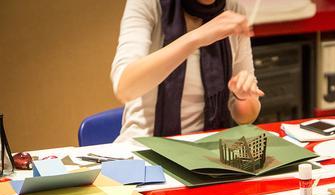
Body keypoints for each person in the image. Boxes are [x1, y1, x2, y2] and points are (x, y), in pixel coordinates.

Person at [111, 0, 264, 142]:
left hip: (207, 150)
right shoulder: (149, 4)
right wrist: (197, 37)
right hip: (144, 147)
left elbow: (245, 117)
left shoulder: (233, 12)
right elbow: (125, 88)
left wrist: (243, 96)